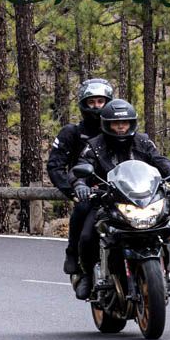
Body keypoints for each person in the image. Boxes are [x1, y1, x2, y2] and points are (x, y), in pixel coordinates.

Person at [70, 98, 170, 300]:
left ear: (132, 123)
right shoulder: (94, 146)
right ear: (106, 124)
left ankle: (163, 271)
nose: (120, 127)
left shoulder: (143, 142)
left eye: (124, 123)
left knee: (166, 225)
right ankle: (86, 275)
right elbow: (81, 167)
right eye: (116, 123)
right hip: (107, 202)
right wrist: (80, 184)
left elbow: (160, 161)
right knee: (88, 236)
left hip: (143, 200)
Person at [46, 78, 113, 276]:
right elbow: (55, 165)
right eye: (92, 102)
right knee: (83, 216)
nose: (96, 107)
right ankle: (74, 255)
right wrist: (71, 189)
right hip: (85, 188)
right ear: (84, 104)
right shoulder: (72, 132)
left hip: (118, 189)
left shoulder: (119, 129)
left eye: (101, 101)